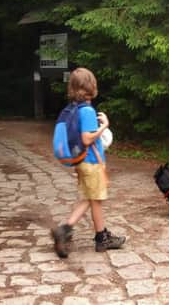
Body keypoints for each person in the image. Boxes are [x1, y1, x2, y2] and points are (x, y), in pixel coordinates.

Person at [50, 67, 126, 258]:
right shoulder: (87, 111)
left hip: (81, 161)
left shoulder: (72, 108)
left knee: (89, 199)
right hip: (91, 162)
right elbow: (86, 139)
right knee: (95, 199)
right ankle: (76, 232)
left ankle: (99, 235)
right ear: (91, 86)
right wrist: (105, 127)